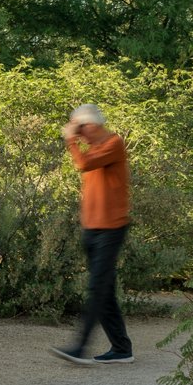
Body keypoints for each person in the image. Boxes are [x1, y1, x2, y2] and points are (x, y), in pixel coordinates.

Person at [53, 104, 133, 365]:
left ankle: (80, 347)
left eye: (81, 127)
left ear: (93, 124)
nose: (79, 134)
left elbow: (84, 164)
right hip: (93, 229)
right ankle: (121, 349)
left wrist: (71, 142)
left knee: (97, 288)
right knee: (105, 290)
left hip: (112, 228)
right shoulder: (96, 148)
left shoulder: (114, 143)